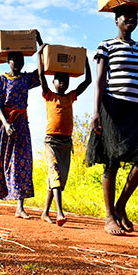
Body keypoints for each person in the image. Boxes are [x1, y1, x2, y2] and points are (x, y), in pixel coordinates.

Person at [86, 5, 138, 235]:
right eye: (126, 17)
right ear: (116, 20)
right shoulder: (106, 46)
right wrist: (96, 112)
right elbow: (100, 80)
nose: (131, 20)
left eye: (135, 17)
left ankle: (121, 205)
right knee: (111, 161)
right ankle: (109, 217)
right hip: (112, 107)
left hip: (136, 108)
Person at [0, 30, 44, 216]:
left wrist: (40, 43)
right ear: (8, 61)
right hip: (2, 125)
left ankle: (20, 207)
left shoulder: (25, 79)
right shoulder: (1, 80)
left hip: (20, 125)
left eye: (21, 60)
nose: (18, 63)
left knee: (21, 163)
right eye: (15, 60)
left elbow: (42, 70)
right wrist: (5, 124)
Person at [37, 45, 92, 227]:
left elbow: (88, 81)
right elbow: (40, 77)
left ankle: (45, 212)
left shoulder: (70, 97)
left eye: (65, 81)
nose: (62, 84)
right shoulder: (49, 95)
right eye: (59, 80)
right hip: (51, 141)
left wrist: (84, 60)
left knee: (57, 179)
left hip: (66, 143)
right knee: (56, 175)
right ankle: (59, 212)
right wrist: (39, 55)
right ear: (53, 82)